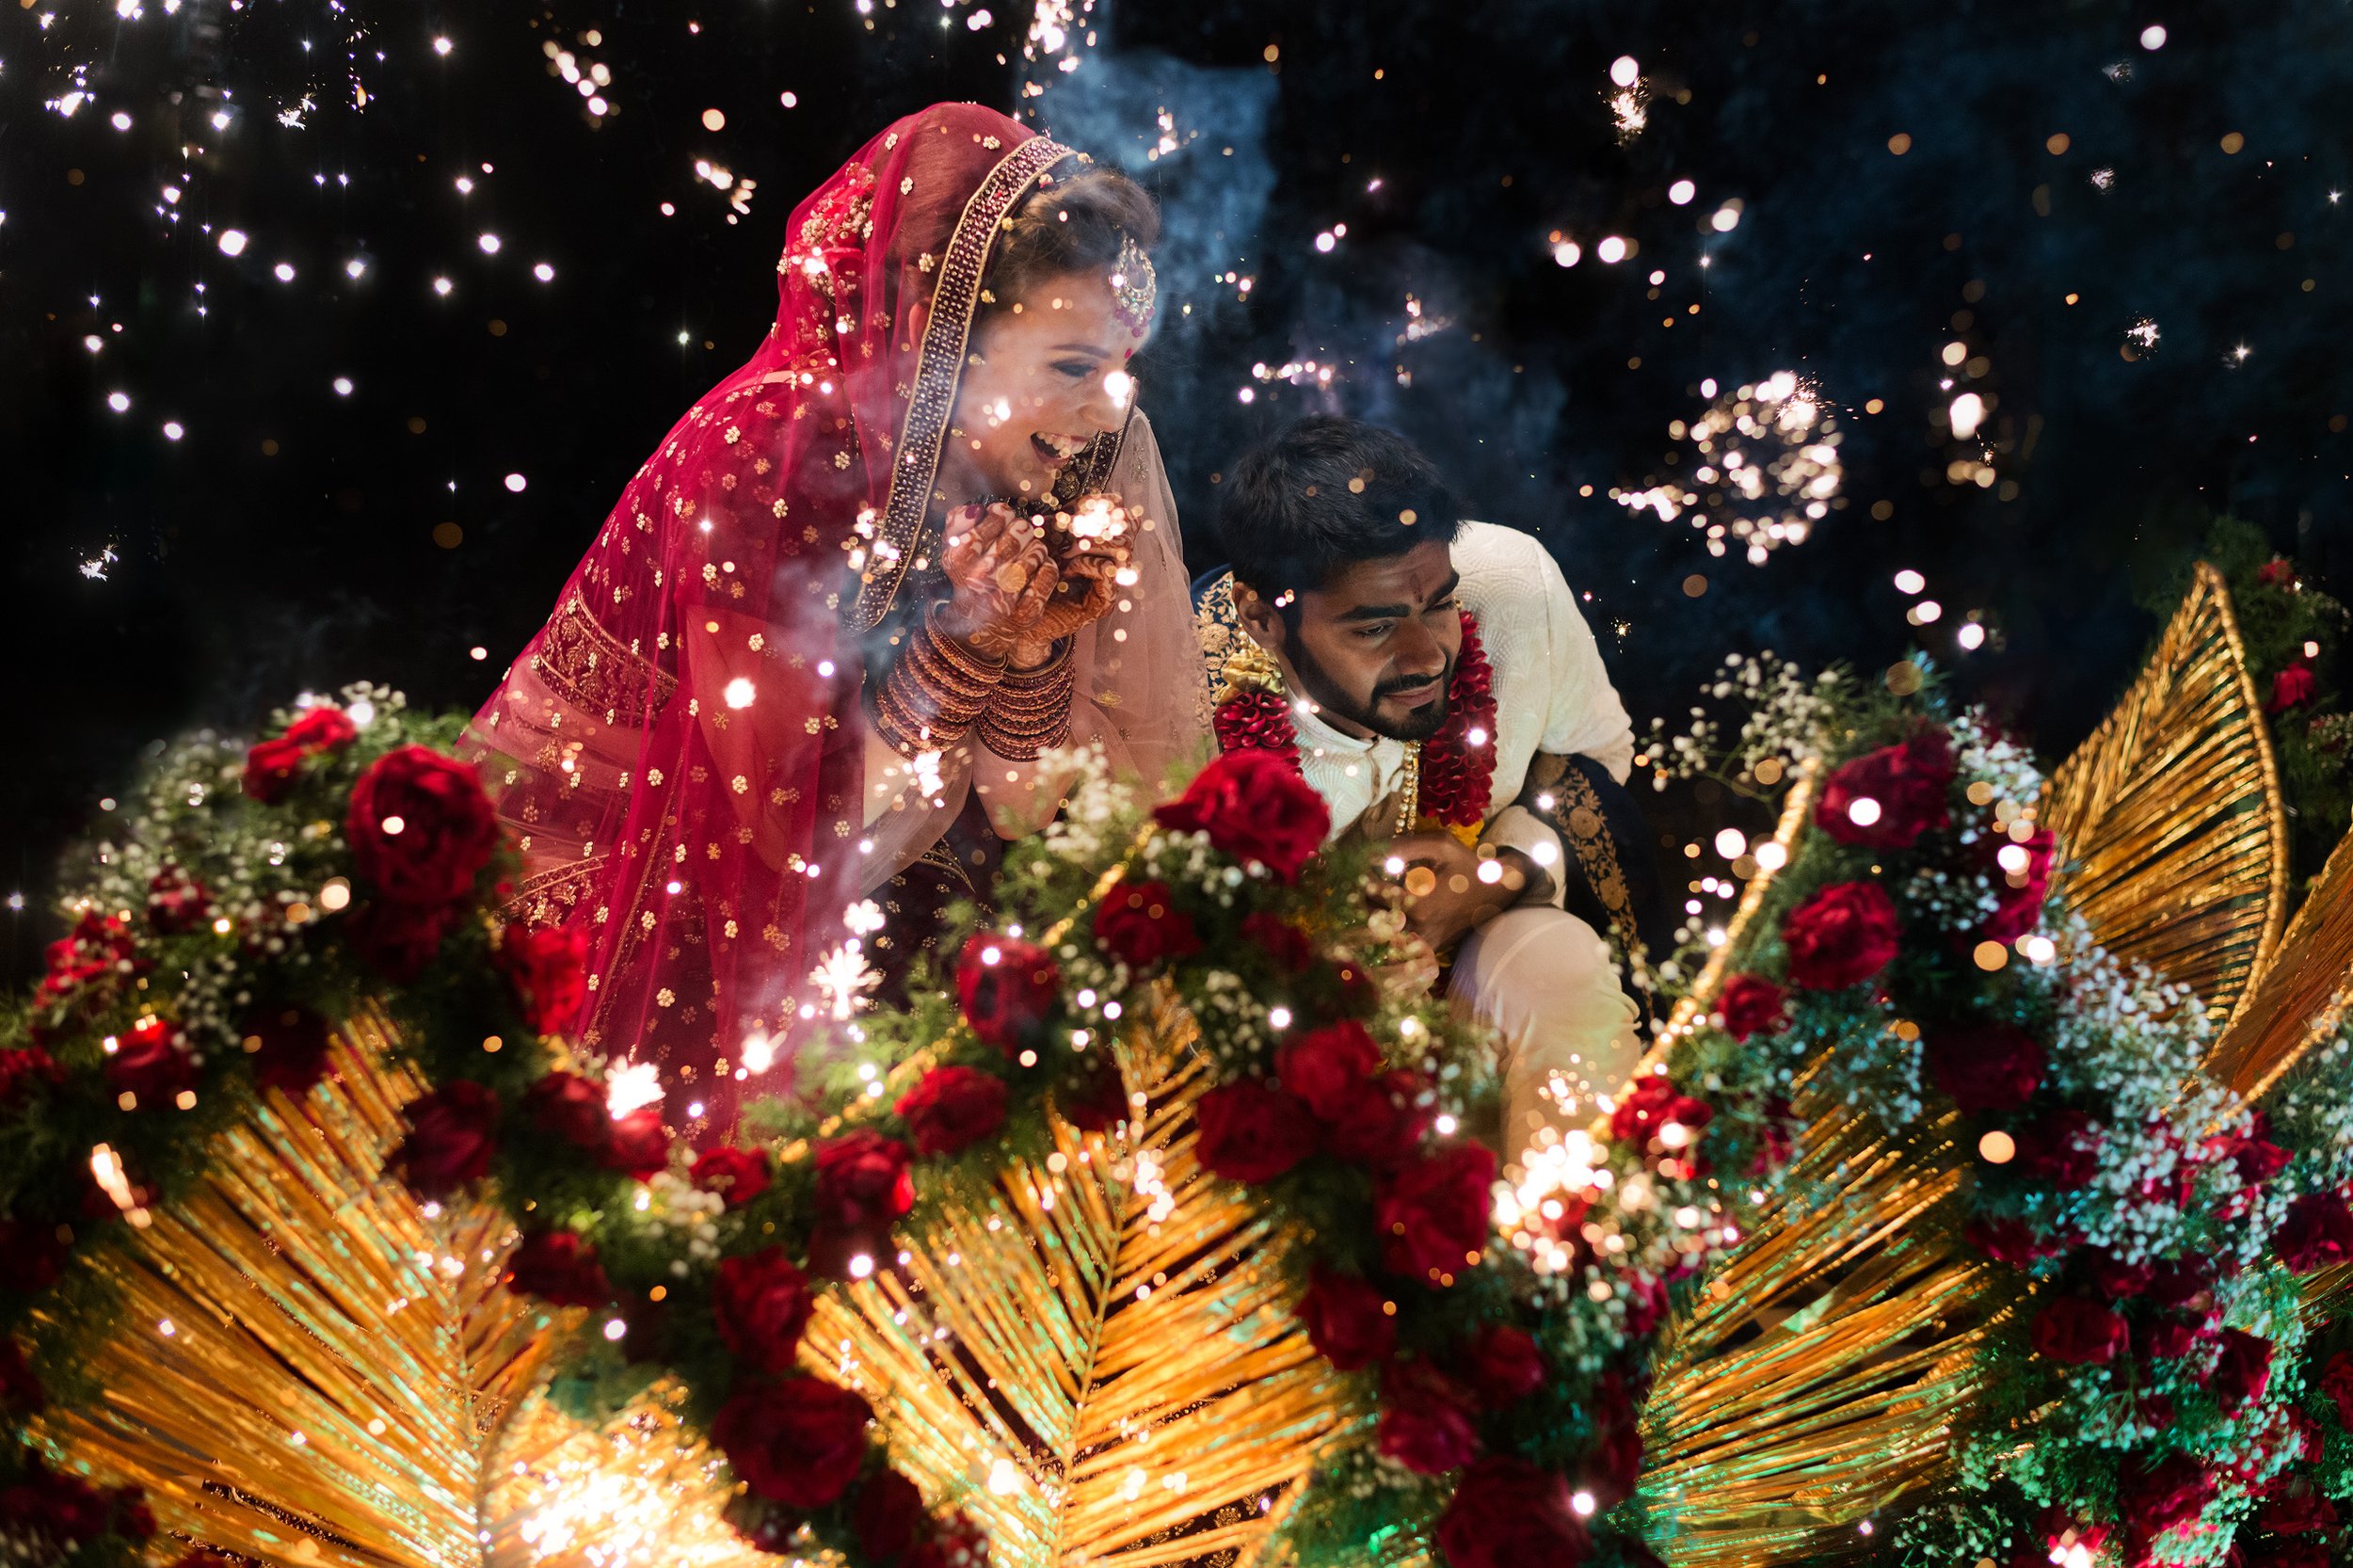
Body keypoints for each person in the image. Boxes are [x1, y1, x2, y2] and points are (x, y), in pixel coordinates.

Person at [465, 104, 1206, 1134]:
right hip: (606, 891)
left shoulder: (1018, 454)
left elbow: (1040, 815)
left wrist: (1024, 647)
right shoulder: (767, 455)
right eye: (1074, 367)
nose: (1109, 411)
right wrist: (964, 649)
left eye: (1121, 368)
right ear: (940, 333)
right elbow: (785, 838)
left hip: (867, 868)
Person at [1195, 417, 1651, 1155]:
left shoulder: (1513, 587)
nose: (1426, 656)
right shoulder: (1182, 701)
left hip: (1483, 954)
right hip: (1282, 1033)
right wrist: (1312, 965)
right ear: (1261, 619)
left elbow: (1595, 762)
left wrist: (1499, 878)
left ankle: (1582, 1247)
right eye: (1373, 629)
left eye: (1437, 605)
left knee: (1557, 962)